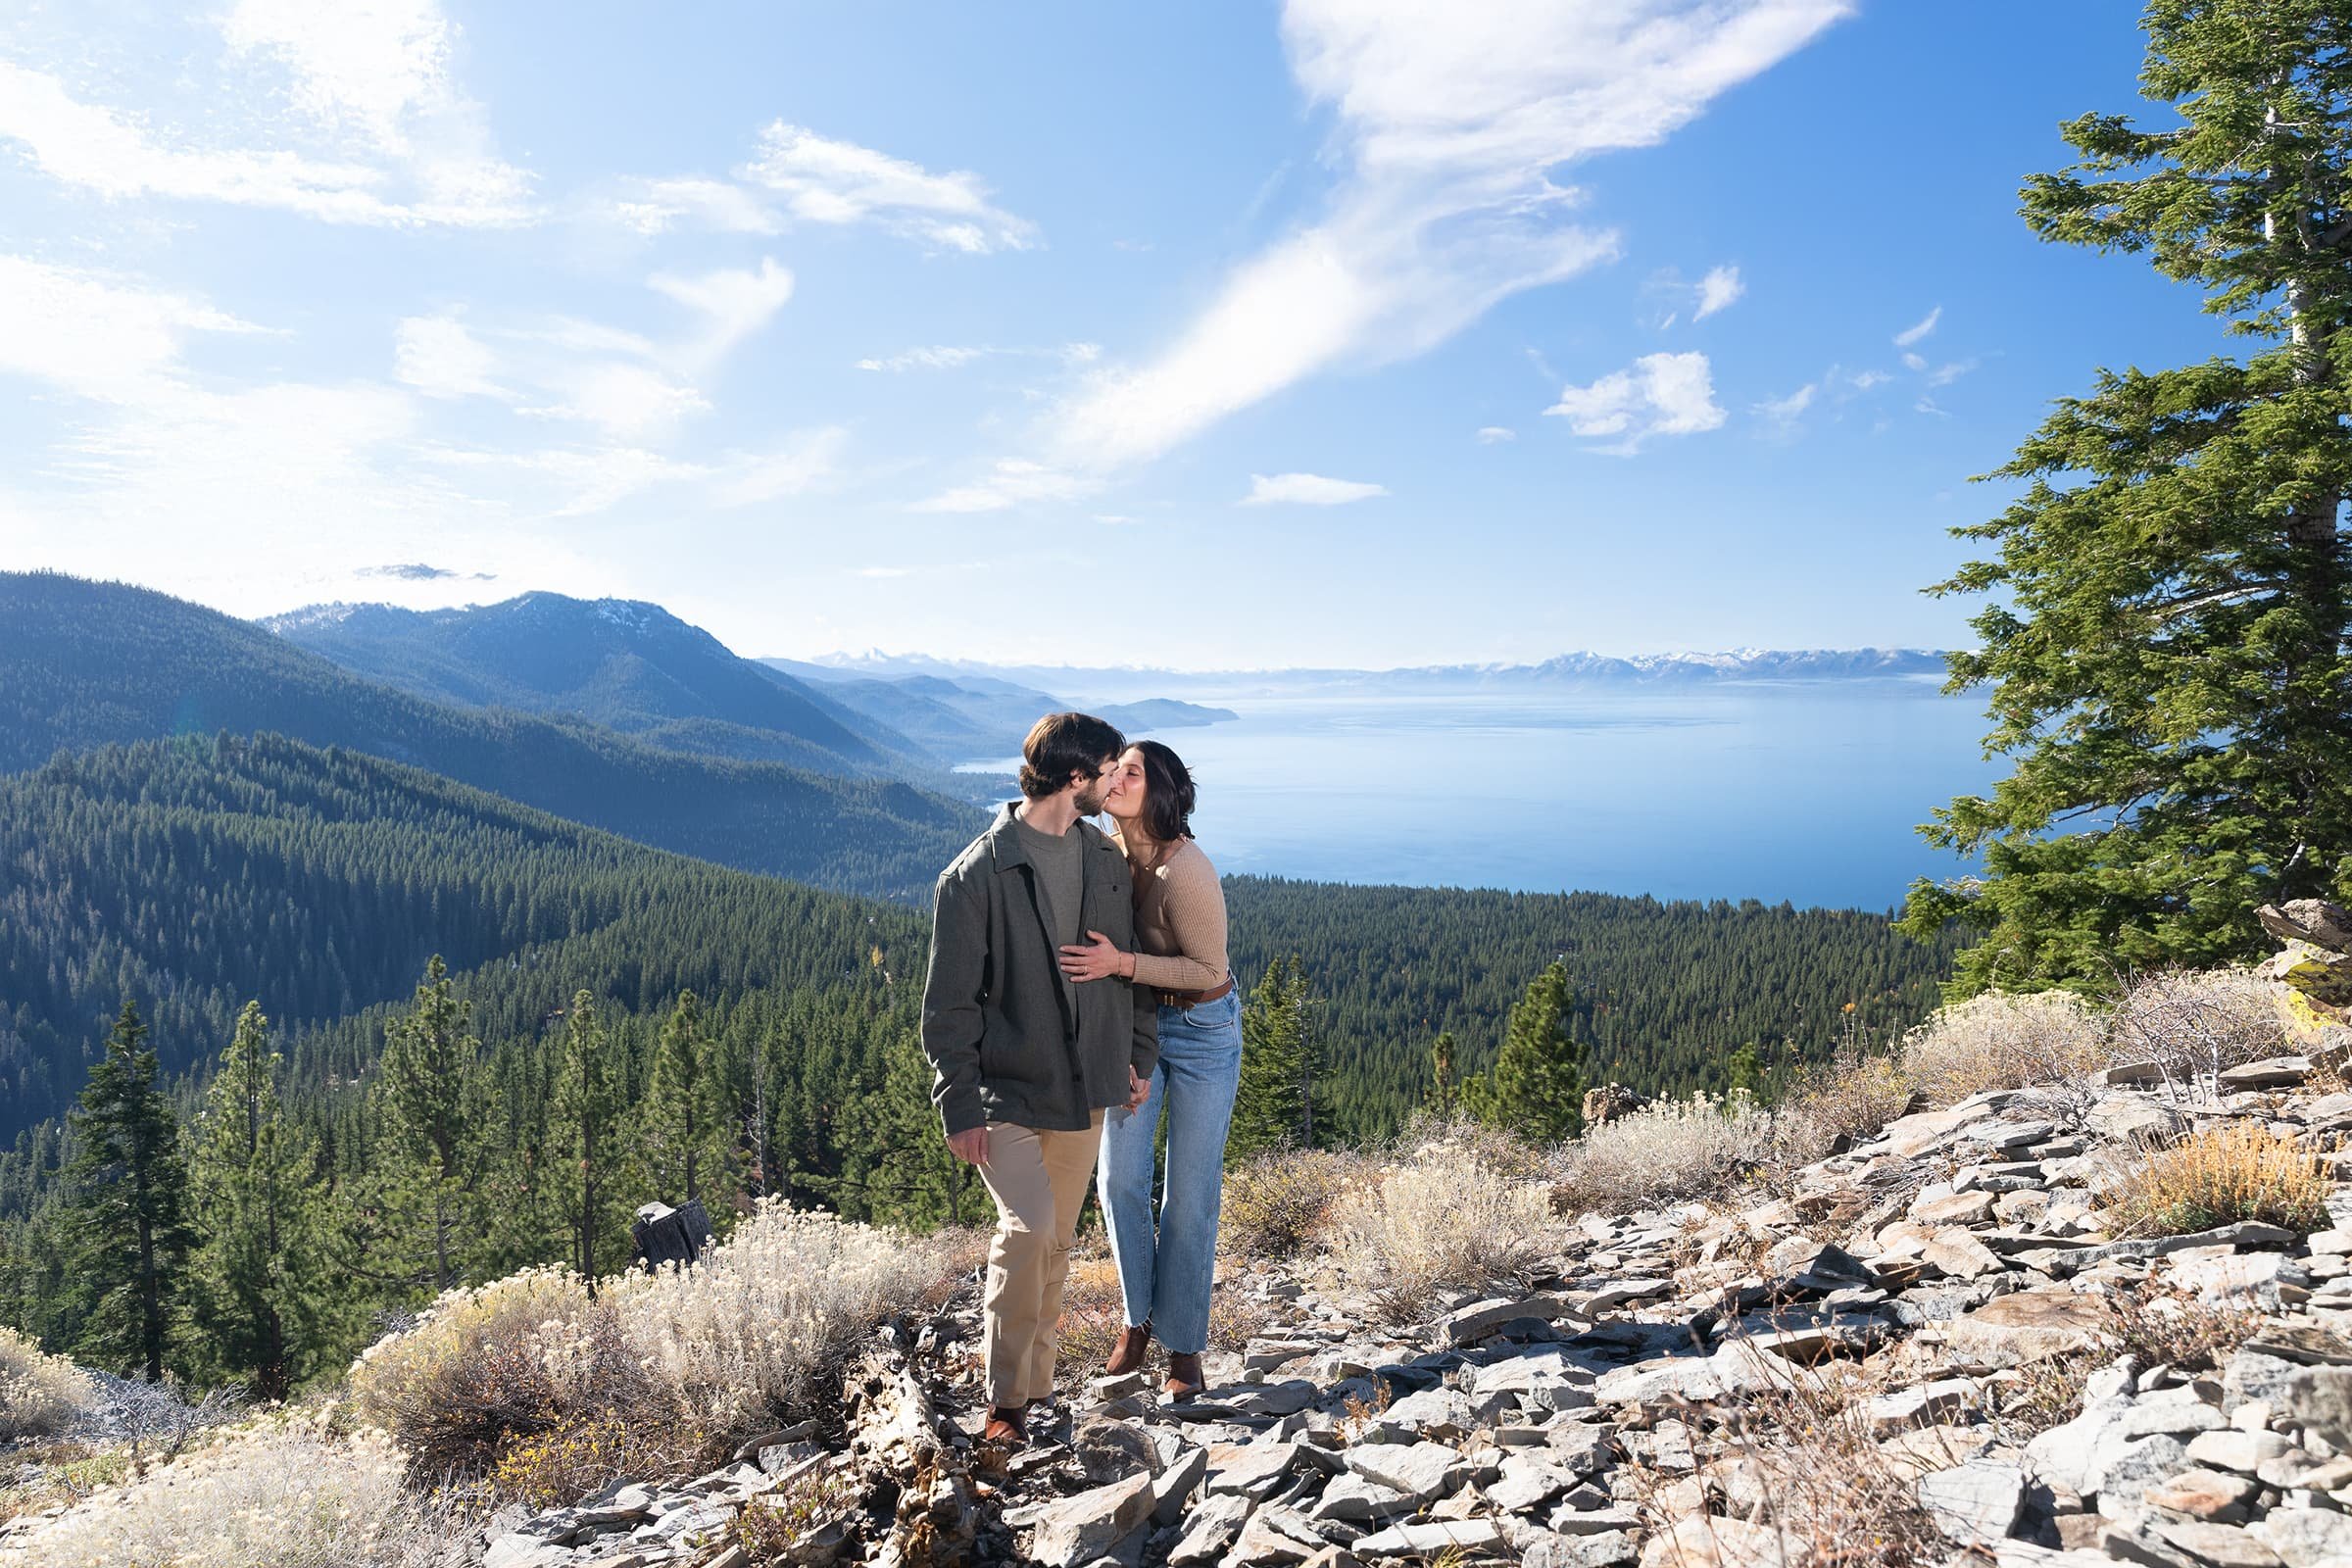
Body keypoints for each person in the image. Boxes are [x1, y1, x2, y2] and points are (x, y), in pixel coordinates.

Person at [920, 712, 1157, 1446]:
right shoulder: (974, 876)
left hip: (1087, 1087)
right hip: (1007, 1093)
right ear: (1076, 778)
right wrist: (957, 1103)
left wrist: (1137, 1056)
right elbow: (948, 1006)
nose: (1120, 783)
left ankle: (1033, 1390)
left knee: (1055, 1243)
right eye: (1110, 771)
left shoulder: (1105, 862)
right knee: (1026, 1232)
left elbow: (1130, 973)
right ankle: (1004, 1406)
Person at [1058, 740, 1235, 1401]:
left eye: (1132, 771)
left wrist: (1123, 966)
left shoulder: (1186, 870)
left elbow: (1209, 972)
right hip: (1138, 1028)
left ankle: (1184, 1349)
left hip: (1203, 1031)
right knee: (1119, 1180)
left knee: (1189, 1195)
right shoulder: (1104, 855)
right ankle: (1139, 1321)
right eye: (1115, 769)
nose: (1117, 777)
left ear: (1158, 790)